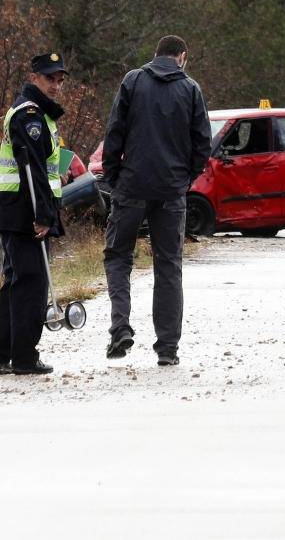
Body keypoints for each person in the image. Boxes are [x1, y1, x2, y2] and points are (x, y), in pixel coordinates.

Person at [101, 35, 214, 367]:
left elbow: (114, 132)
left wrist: (114, 178)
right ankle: (167, 348)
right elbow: (203, 145)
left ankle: (120, 328)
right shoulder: (191, 89)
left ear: (156, 55)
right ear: (182, 56)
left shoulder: (133, 81)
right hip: (170, 192)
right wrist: (183, 180)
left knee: (119, 256)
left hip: (131, 187)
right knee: (168, 266)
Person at [0, 52, 69, 376]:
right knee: (31, 282)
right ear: (34, 77)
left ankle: (0, 355)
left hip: (19, 208)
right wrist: (43, 216)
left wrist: (57, 177)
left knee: (17, 281)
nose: (55, 86)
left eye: (60, 80)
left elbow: (43, 166)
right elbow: (32, 169)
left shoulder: (40, 115)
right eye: (50, 78)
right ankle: (23, 356)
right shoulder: (29, 114)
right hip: (25, 211)